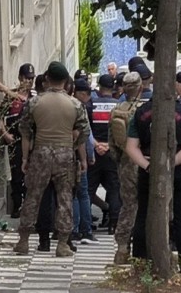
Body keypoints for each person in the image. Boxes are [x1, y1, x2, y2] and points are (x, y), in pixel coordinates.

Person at [13, 61, 91, 257]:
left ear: (47, 78)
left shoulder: (34, 102)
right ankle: (62, 243)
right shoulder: (75, 104)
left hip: (40, 153)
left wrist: (25, 158)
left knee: (33, 197)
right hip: (65, 154)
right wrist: (74, 148)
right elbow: (84, 131)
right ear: (66, 81)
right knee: (65, 198)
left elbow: (25, 131)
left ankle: (23, 241)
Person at [125, 86, 181, 268]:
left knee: (143, 216)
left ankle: (140, 263)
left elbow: (131, 147)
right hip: (178, 171)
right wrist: (169, 165)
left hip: (147, 171)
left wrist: (148, 166)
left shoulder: (140, 113)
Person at [109, 72, 143, 264]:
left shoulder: (116, 110)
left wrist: (120, 161)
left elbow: (112, 142)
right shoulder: (147, 109)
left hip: (126, 163)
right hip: (145, 161)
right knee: (148, 205)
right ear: (141, 87)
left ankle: (122, 248)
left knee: (128, 205)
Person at [0, 63, 36, 218]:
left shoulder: (35, 97)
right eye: (26, 78)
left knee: (32, 175)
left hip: (32, 143)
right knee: (17, 176)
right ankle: (17, 206)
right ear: (20, 78)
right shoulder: (11, 96)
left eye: (31, 78)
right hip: (16, 142)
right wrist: (5, 134)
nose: (29, 81)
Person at [88, 74, 122, 233]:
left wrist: (96, 145)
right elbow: (121, 131)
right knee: (114, 188)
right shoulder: (118, 106)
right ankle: (113, 224)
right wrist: (109, 145)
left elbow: (86, 128)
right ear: (113, 87)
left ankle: (86, 223)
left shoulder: (91, 104)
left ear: (99, 87)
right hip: (111, 152)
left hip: (94, 151)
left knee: (89, 188)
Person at [72, 79, 99, 244]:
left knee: (73, 194)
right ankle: (85, 230)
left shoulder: (68, 105)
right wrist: (87, 157)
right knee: (81, 193)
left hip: (63, 154)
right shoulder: (78, 108)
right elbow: (83, 136)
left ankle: (74, 229)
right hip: (76, 156)